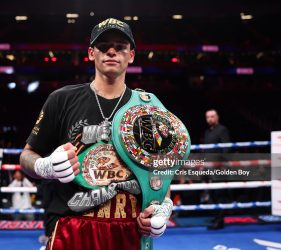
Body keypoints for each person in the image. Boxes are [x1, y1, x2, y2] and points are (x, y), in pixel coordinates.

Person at [20, 18, 173, 250]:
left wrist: (162, 207)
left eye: (120, 46)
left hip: (129, 228)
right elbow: (26, 156)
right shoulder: (61, 100)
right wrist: (44, 166)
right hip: (73, 225)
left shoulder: (149, 107)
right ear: (91, 53)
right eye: (103, 46)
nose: (112, 51)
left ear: (131, 55)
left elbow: (160, 169)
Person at [203, 109, 231, 229]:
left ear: (217, 117)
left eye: (212, 116)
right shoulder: (207, 132)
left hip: (219, 167)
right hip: (209, 167)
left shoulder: (222, 130)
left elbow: (226, 148)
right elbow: (206, 150)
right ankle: (216, 216)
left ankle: (220, 221)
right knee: (212, 194)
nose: (210, 119)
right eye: (208, 117)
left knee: (219, 194)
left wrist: (223, 164)